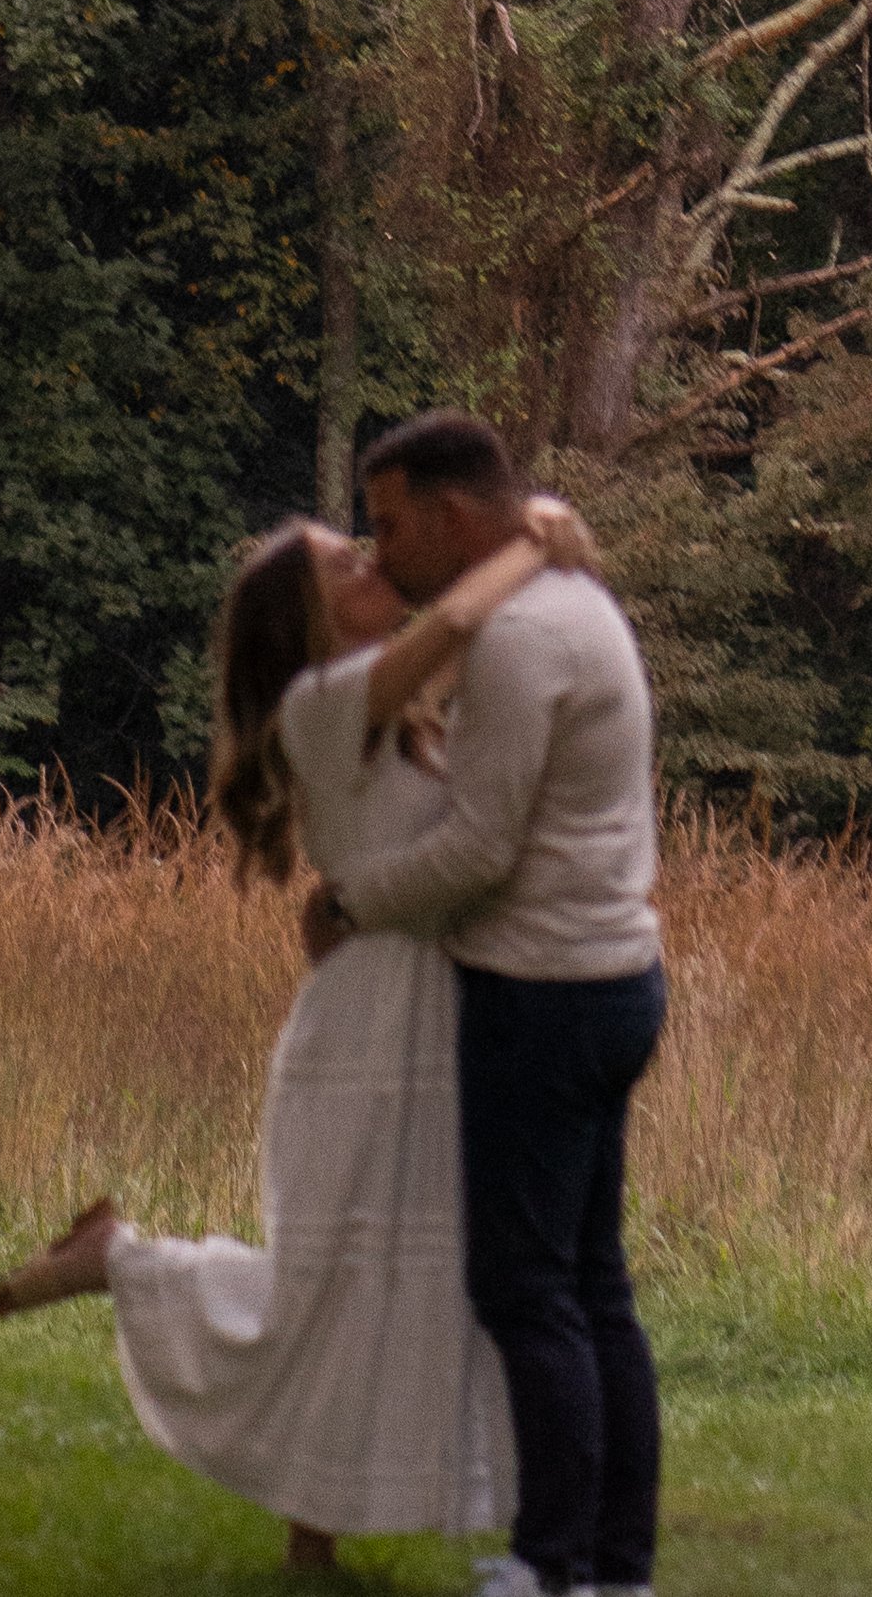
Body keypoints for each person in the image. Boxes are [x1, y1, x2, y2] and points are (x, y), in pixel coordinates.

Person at [0, 490, 596, 1573]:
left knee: (412, 1277)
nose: (370, 563)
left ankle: (332, 1544)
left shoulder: (399, 710)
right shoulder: (324, 702)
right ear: (308, 623)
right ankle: (126, 1262)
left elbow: (491, 664)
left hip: (435, 1022)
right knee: (332, 1280)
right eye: (342, 565)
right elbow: (462, 619)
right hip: (364, 1035)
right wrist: (532, 541)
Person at [308, 409, 665, 1597]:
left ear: (454, 512)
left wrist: (350, 900)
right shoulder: (578, 603)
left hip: (543, 991)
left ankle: (552, 1563)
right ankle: (616, 1566)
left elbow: (479, 848)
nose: (382, 548)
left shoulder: (520, 636)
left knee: (529, 1289)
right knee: (594, 1284)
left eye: (391, 523)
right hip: (615, 975)